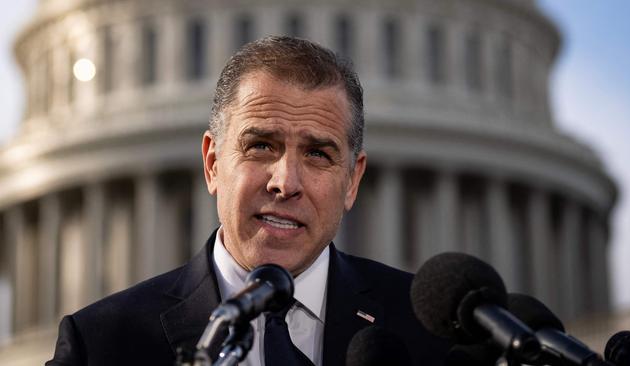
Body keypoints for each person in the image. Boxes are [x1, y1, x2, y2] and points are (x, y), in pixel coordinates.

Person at [46, 36, 449, 366]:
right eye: (260, 146)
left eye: (317, 154)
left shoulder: (432, 336)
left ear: (352, 180)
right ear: (213, 163)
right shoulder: (102, 346)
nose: (285, 182)